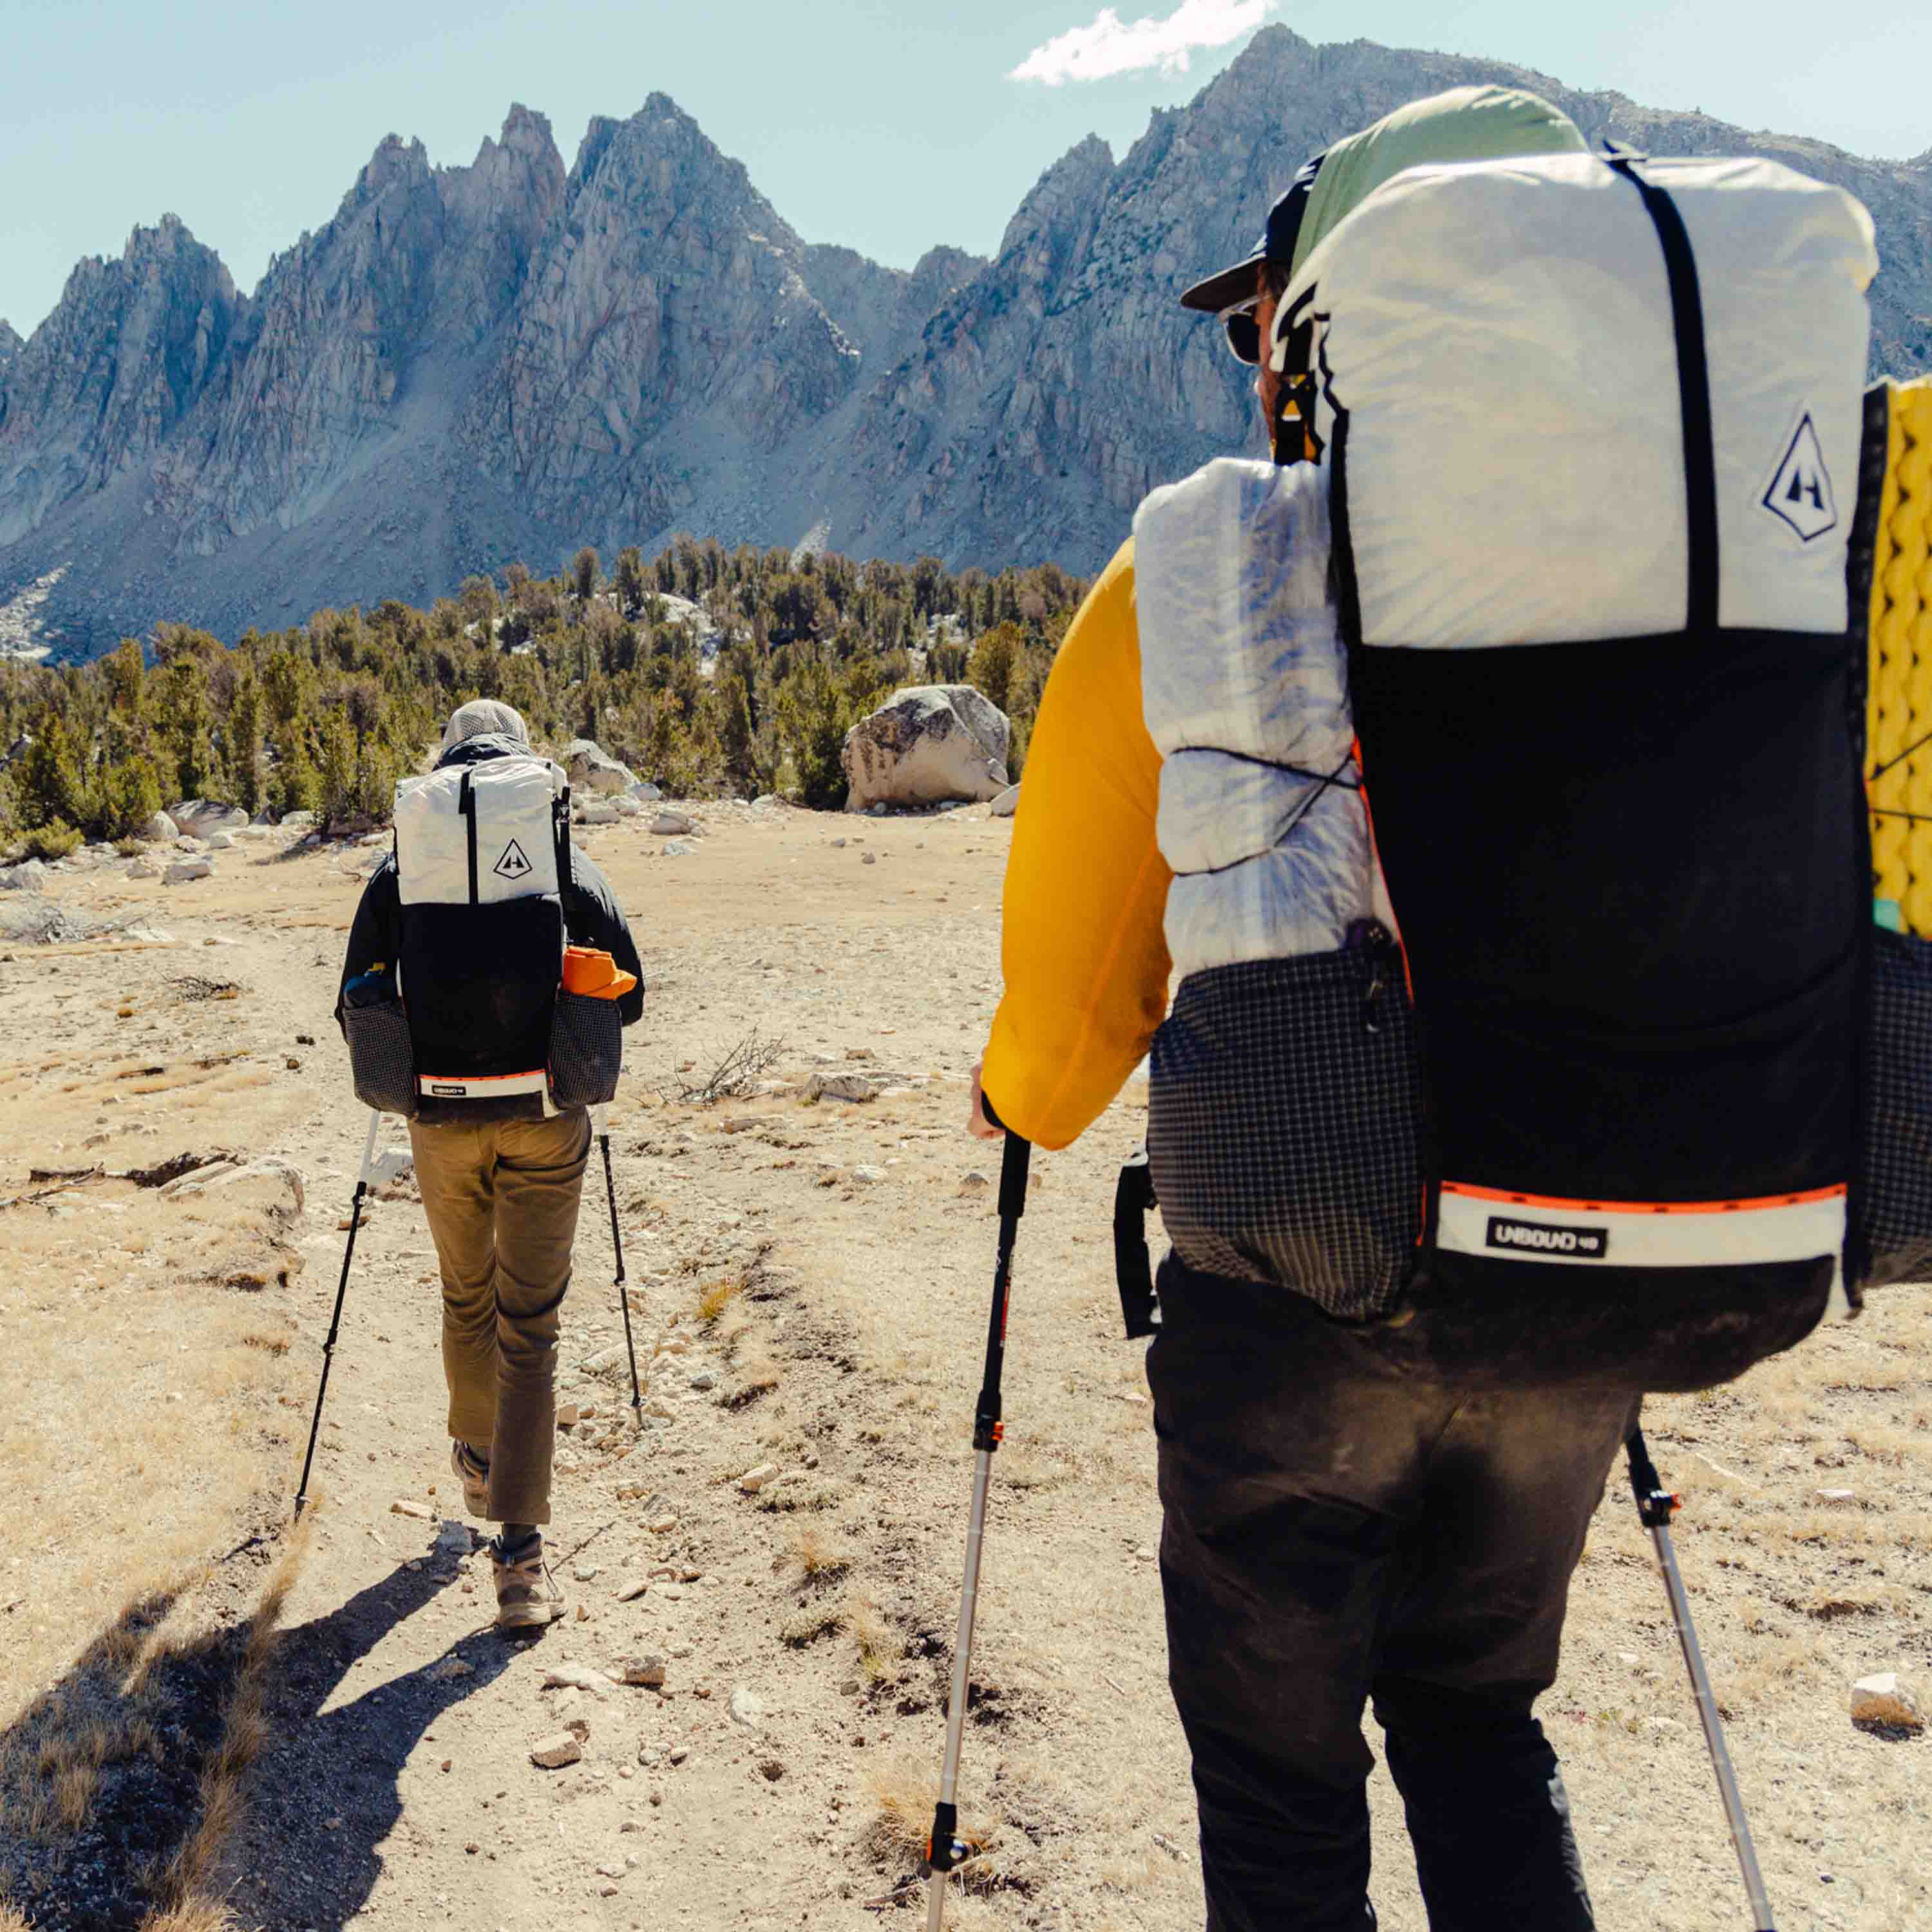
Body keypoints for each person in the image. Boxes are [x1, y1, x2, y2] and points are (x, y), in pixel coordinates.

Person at [970, 86, 1874, 1929]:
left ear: (1334, 331)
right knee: (1478, 1724)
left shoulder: (1193, 581)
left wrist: (1015, 1101)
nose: (1247, 366)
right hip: (1593, 1287)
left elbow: (1064, 1043)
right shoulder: (1736, 593)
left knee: (1282, 1780)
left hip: (1302, 1307)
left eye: (1261, 325)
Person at [339, 700, 644, 1629]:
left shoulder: (407, 860)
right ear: (520, 763)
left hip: (440, 1122)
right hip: (547, 1118)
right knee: (532, 1321)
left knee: (465, 1297)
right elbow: (630, 993)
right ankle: (519, 1558)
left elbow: (354, 1002)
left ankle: (477, 1454)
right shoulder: (555, 852)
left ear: (442, 766)